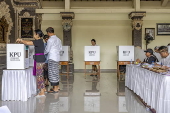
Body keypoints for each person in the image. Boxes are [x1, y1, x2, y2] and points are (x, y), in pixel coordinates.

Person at [16, 29, 46, 96]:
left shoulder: (38, 41)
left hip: (39, 60)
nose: (33, 35)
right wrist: (22, 41)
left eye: (34, 34)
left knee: (39, 76)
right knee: (40, 75)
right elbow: (28, 42)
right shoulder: (40, 41)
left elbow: (27, 43)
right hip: (40, 59)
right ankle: (43, 89)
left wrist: (20, 40)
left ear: (37, 35)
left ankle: (42, 92)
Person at [44, 27, 62, 93]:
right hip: (57, 58)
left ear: (48, 33)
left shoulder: (50, 40)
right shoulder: (58, 39)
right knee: (56, 72)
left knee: (52, 73)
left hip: (52, 57)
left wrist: (43, 53)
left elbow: (47, 49)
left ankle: (55, 88)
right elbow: (60, 49)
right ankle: (57, 86)